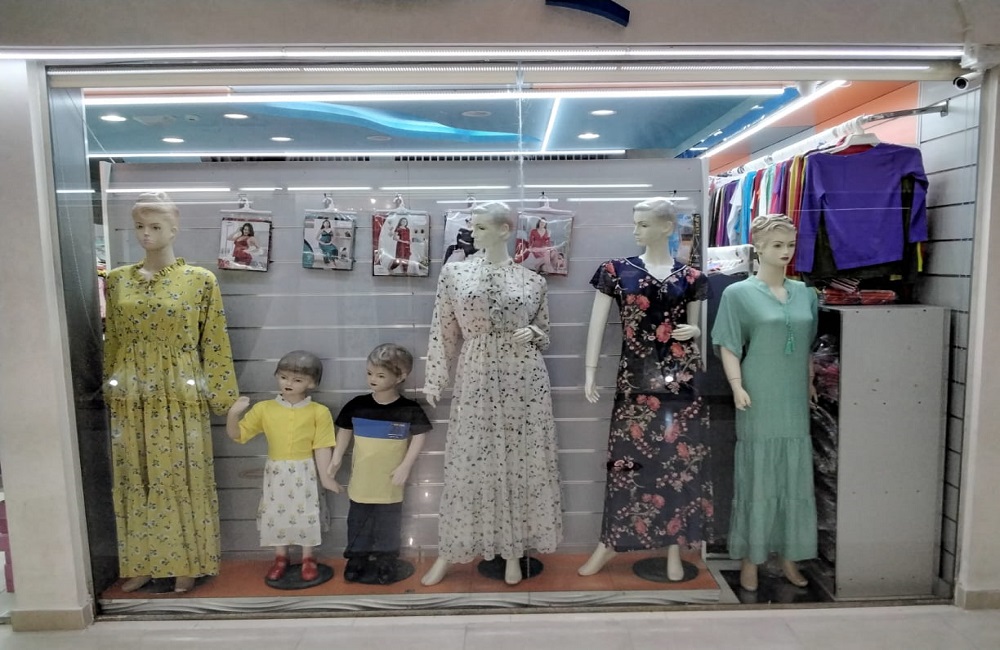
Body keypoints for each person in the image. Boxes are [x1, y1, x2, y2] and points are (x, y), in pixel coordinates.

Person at [421, 201, 563, 587]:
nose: (473, 233)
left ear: (504, 229)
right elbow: (442, 329)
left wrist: (534, 333)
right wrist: (435, 379)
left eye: (482, 227)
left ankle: (515, 551)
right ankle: (451, 550)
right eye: (473, 226)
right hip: (477, 372)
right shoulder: (455, 274)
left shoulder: (532, 280)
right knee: (471, 460)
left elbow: (544, 332)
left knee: (520, 460)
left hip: (524, 376)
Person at [103, 192, 238, 593]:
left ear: (174, 229)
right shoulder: (117, 280)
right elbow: (114, 340)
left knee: (179, 471)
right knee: (135, 472)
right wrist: (111, 385)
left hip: (179, 389)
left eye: (155, 226)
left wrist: (223, 398)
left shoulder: (199, 281)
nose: (146, 234)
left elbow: (214, 340)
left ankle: (186, 561)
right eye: (140, 226)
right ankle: (143, 561)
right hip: (132, 393)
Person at [579, 198, 712, 581]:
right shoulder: (616, 271)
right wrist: (590, 372)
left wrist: (695, 331)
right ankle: (610, 543)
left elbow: (696, 334)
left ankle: (674, 548)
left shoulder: (692, 277)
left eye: (643, 224)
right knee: (628, 462)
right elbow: (597, 326)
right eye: (635, 223)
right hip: (635, 383)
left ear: (666, 227)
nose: (635, 230)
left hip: (680, 383)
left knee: (678, 464)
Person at [711, 213, 818, 592]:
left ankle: (790, 556)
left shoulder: (806, 293)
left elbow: (806, 345)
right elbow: (728, 343)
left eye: (790, 244)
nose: (785, 251)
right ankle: (751, 559)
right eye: (777, 245)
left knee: (793, 475)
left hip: (793, 396)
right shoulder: (738, 294)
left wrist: (809, 381)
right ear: (758, 247)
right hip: (757, 393)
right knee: (757, 476)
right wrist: (736, 385)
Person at [226, 350, 339, 582]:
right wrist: (233, 415)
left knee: (307, 511)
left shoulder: (319, 412)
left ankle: (308, 557)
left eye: (297, 380)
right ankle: (280, 557)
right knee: (275, 513)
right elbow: (238, 435)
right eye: (284, 377)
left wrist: (327, 477)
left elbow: (322, 446)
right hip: (276, 473)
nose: (289, 383)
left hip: (305, 472)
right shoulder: (265, 409)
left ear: (312, 383)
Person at [327, 344, 432, 584]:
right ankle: (356, 559)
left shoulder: (408, 409)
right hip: (362, 479)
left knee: (389, 523)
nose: (373, 379)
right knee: (358, 521)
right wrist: (336, 457)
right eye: (369, 373)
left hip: (390, 479)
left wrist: (406, 466)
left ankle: (387, 560)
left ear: (401, 377)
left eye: (380, 375)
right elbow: (345, 429)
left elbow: (420, 436)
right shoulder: (357, 405)